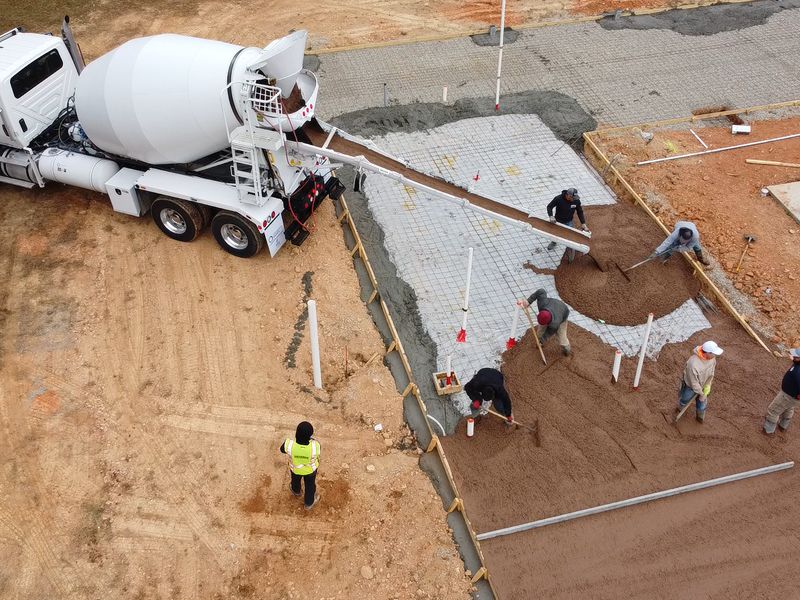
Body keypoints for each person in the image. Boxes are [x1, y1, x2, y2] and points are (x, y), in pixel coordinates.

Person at [677, 341, 723, 423]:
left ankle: (700, 418)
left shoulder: (712, 358)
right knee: (684, 400)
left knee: (702, 406)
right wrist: (701, 394)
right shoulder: (693, 364)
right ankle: (679, 408)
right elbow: (693, 383)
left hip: (704, 385)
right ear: (707, 353)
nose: (715, 355)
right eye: (713, 353)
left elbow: (711, 373)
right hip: (690, 387)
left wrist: (708, 386)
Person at [518, 288, 571, 356]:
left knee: (561, 336)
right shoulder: (542, 304)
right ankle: (540, 342)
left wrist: (543, 339)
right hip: (553, 305)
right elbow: (541, 291)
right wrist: (528, 301)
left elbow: (549, 332)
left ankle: (566, 348)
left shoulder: (555, 324)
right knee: (540, 332)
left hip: (563, 313)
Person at [280, 421, 320, 510]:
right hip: (310, 471)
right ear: (310, 436)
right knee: (310, 486)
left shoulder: (289, 445)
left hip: (295, 469)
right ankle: (309, 503)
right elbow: (317, 452)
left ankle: (296, 491)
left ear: (296, 433)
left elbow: (282, 450)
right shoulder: (315, 446)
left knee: (295, 480)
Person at [546, 188, 590, 262]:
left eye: (575, 198)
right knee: (555, 234)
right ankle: (554, 242)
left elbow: (579, 211)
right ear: (568, 195)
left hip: (568, 221)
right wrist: (551, 216)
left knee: (570, 238)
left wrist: (583, 224)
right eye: (572, 198)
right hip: (557, 221)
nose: (574, 199)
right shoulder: (558, 199)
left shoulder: (576, 201)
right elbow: (549, 206)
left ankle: (570, 249)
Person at [763, 348, 800, 435]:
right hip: (794, 398)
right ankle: (783, 426)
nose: (794, 356)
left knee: (773, 410)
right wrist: (795, 360)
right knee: (789, 408)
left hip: (788, 396)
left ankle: (768, 430)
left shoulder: (798, 371)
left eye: (796, 356)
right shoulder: (798, 365)